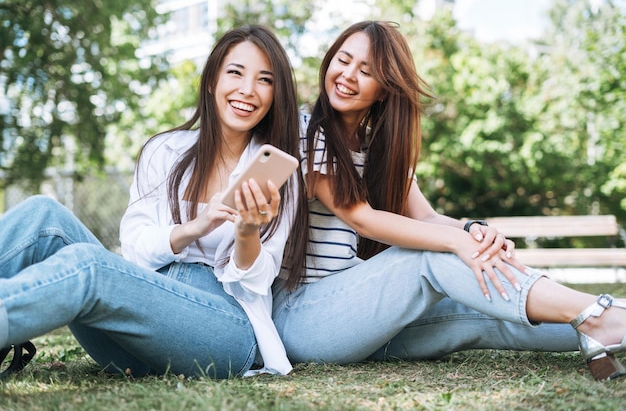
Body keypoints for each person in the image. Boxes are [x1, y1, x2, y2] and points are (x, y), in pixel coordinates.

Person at [271, 20, 626, 381]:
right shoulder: (305, 131)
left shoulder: (377, 150)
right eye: (342, 61)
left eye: (366, 70)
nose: (347, 75)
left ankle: (608, 321)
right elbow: (361, 218)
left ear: (383, 90)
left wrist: (474, 231)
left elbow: (426, 217)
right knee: (429, 258)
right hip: (303, 317)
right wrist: (456, 241)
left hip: (361, 319)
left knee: (489, 306)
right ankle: (599, 315)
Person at [0, 24, 306, 379]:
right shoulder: (165, 151)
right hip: (139, 313)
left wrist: (248, 231)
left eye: (265, 80)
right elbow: (135, 248)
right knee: (44, 215)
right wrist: (193, 228)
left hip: (225, 330)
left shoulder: (277, 175)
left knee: (90, 266)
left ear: (275, 95)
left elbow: (257, 282)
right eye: (235, 72)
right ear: (211, 81)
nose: (247, 90)